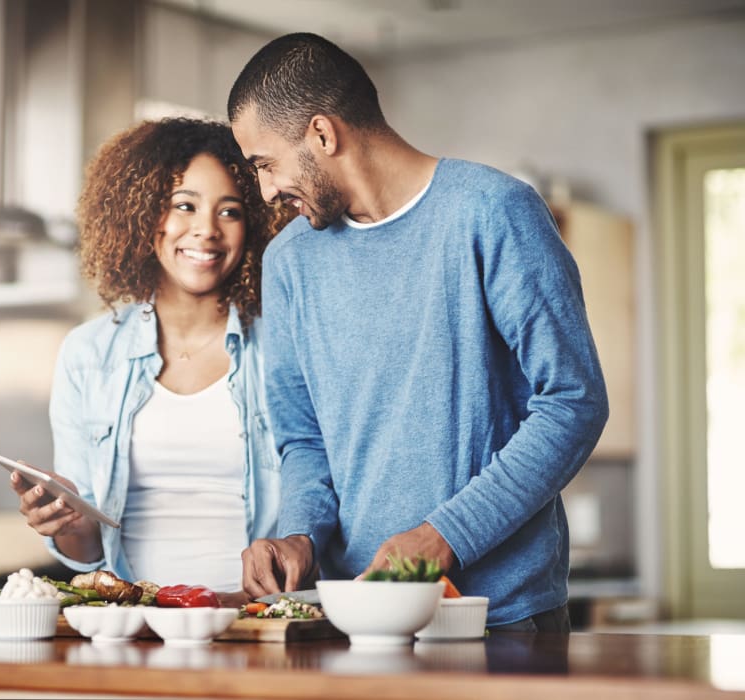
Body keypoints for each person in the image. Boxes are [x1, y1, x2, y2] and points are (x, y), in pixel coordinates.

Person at [227, 33, 609, 631]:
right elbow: (303, 439)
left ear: (323, 135)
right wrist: (299, 532)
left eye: (265, 164)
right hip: (353, 615)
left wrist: (444, 537)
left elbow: (574, 402)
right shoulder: (289, 262)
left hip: (499, 619)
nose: (266, 190)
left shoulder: (493, 213)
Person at [9, 118, 291, 605]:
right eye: (185, 206)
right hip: (134, 625)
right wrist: (64, 521)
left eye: (230, 211)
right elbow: (89, 556)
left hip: (254, 622)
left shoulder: (285, 346)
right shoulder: (88, 355)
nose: (206, 230)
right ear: (143, 217)